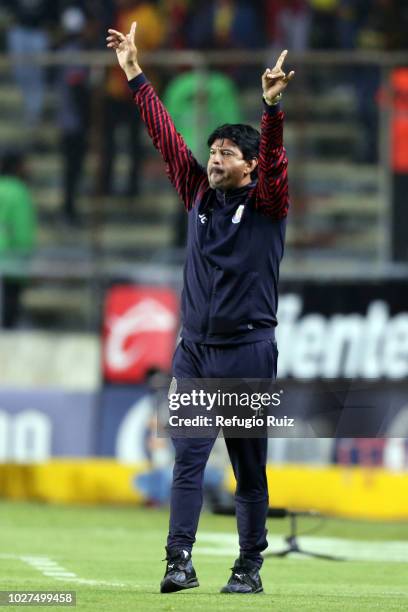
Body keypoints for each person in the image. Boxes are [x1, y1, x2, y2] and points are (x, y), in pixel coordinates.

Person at [107, 21, 294, 594]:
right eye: (212, 150)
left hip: (246, 352)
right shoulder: (198, 195)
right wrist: (136, 74)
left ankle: (249, 566)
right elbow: (165, 136)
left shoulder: (267, 204)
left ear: (251, 165)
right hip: (193, 352)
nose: (214, 158)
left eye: (227, 152)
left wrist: (270, 110)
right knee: (186, 459)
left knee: (247, 466)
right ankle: (178, 561)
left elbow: (278, 160)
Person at [0, 152, 37, 328]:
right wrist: (26, 259)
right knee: (9, 309)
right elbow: (22, 230)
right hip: (11, 258)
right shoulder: (18, 191)